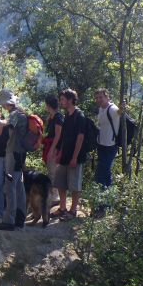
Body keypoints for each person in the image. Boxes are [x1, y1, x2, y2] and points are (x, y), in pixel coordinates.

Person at [0, 89, 28, 231]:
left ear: (6, 103)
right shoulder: (20, 113)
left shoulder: (15, 114)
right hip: (19, 155)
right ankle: (20, 218)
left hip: (13, 154)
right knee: (18, 186)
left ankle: (9, 221)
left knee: (10, 186)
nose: (2, 106)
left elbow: (3, 124)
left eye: (2, 103)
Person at [54, 88, 87, 218]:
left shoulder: (80, 116)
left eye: (62, 99)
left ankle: (73, 211)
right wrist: (60, 152)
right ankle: (62, 208)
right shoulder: (67, 115)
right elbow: (64, 136)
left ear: (70, 100)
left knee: (74, 184)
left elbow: (80, 137)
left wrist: (74, 157)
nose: (61, 102)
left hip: (76, 157)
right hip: (65, 155)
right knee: (60, 182)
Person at [94, 87, 123, 188]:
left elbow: (119, 112)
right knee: (105, 172)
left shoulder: (112, 109)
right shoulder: (101, 109)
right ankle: (106, 197)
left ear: (107, 97)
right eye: (97, 98)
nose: (98, 100)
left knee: (102, 172)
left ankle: (103, 197)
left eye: (101, 97)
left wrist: (122, 108)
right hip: (101, 144)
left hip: (110, 146)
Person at [42, 94, 63, 203]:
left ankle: (56, 196)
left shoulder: (58, 117)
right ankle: (54, 194)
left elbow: (58, 135)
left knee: (53, 172)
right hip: (50, 146)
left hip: (55, 148)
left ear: (49, 105)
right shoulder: (52, 117)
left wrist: (52, 150)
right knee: (51, 171)